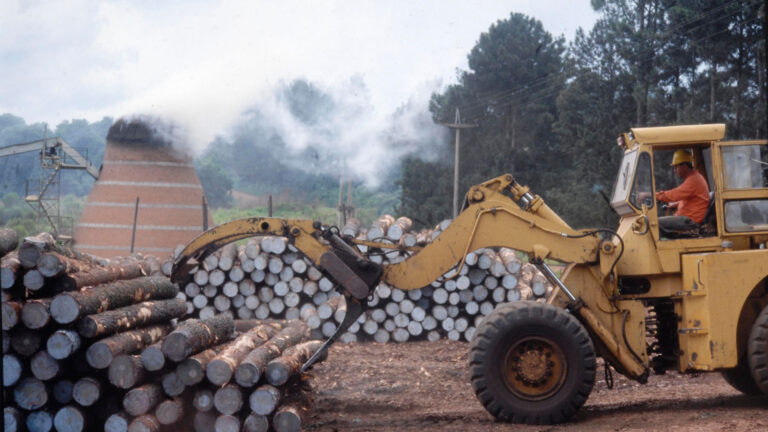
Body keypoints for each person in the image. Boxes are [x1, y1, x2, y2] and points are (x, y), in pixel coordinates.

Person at [655, 150, 710, 235]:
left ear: (684, 166)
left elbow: (674, 195)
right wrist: (675, 204)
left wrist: (654, 195)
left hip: (690, 220)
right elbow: (690, 199)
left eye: (676, 167)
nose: (674, 171)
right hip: (688, 218)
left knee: (654, 224)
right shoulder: (694, 178)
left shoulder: (694, 180)